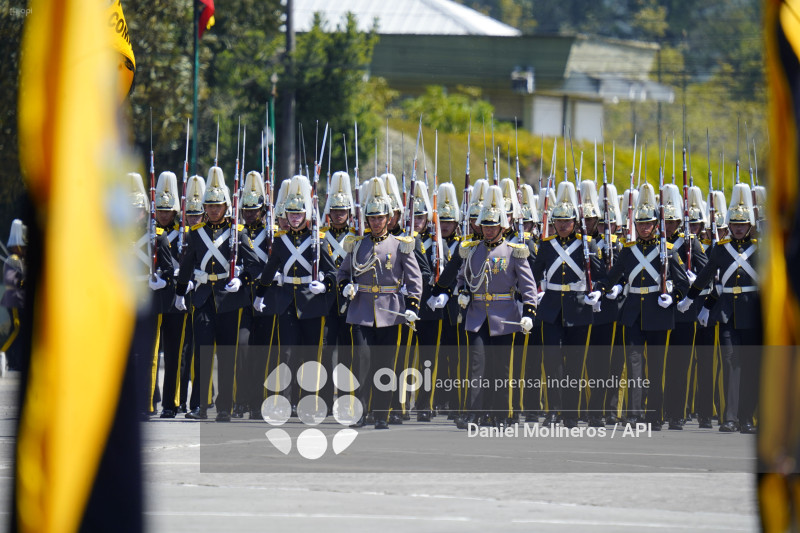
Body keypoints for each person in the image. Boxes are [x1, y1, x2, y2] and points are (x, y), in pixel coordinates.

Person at [586, 183, 689, 429]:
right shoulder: (628, 251)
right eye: (640, 224)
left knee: (655, 368)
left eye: (648, 224)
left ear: (656, 225)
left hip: (658, 313)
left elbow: (683, 284)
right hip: (632, 314)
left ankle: (654, 414)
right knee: (634, 368)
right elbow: (613, 277)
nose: (644, 228)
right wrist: (600, 290)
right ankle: (633, 414)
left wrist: (672, 297)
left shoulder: (668, 250)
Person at [174, 166, 259, 422]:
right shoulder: (196, 232)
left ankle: (225, 406)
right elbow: (187, 265)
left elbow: (254, 265)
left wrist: (240, 279)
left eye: (217, 205)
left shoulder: (237, 233)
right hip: (202, 298)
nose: (212, 210)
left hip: (229, 300)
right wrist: (180, 293)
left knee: (226, 355)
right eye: (209, 206)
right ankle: (200, 405)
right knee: (202, 353)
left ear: (226, 206)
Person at [337, 177, 423, 429]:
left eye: (380, 218)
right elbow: (342, 273)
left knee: (386, 365)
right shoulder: (357, 244)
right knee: (361, 363)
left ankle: (382, 414)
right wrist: (345, 287)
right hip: (362, 309)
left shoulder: (400, 246)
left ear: (388, 219)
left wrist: (413, 306)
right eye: (371, 218)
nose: (375, 222)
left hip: (390, 311)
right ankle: (360, 412)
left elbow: (415, 278)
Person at [677, 183, 761, 433]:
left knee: (750, 365)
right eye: (734, 224)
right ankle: (730, 417)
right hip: (726, 314)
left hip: (752, 314)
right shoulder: (720, 249)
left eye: (742, 225)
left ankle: (747, 418)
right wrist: (690, 299)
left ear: (749, 226)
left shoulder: (759, 249)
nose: (737, 229)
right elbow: (706, 277)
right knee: (730, 364)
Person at [254, 175, 336, 415]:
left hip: (312, 303)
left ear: (306, 215)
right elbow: (270, 269)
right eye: (291, 214)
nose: (295, 218)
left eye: (299, 214)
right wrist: (260, 294)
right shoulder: (281, 242)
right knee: (287, 354)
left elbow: (332, 272)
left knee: (312, 356)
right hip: (287, 301)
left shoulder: (319, 241)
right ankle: (284, 401)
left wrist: (325, 285)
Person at [456, 185, 537, 428]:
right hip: (478, 314)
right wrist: (462, 292)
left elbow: (528, 285)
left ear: (502, 226)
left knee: (502, 369)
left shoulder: (515, 252)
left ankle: (503, 414)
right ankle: (475, 412)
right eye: (486, 225)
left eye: (493, 225)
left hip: (505, 316)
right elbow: (463, 277)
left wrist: (530, 310)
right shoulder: (472, 250)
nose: (489, 230)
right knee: (477, 367)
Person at [532, 181, 601, 428]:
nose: (562, 225)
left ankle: (571, 413)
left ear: (575, 222)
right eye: (558, 221)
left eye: (566, 221)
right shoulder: (546, 245)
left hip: (579, 308)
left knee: (574, 364)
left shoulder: (588, 244)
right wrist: (534, 295)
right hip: (550, 309)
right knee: (551, 364)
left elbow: (602, 275)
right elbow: (533, 274)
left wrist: (600, 292)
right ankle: (553, 411)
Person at [148, 171, 190, 418]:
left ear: (175, 211)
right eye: (160, 210)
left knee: (174, 354)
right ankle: (148, 401)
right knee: (151, 354)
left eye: (168, 210)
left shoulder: (185, 233)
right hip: (153, 297)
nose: (164, 214)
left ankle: (171, 404)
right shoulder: (150, 232)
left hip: (176, 299)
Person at [1, 219, 27, 373]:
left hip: (19, 299)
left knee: (19, 330)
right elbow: (11, 281)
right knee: (17, 328)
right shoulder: (13, 260)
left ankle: (14, 360)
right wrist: (23, 281)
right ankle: (2, 353)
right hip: (14, 299)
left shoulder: (19, 261)